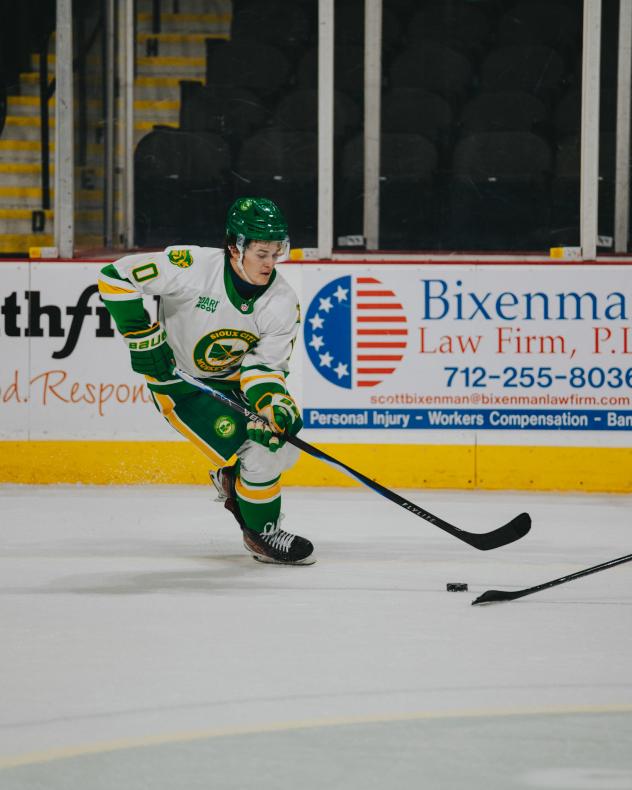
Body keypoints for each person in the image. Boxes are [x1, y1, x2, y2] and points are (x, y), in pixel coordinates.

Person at [97, 197, 314, 565]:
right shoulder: (192, 267)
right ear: (235, 247)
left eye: (277, 253)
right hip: (181, 385)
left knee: (283, 443)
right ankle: (262, 533)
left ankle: (233, 481)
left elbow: (265, 369)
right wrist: (140, 335)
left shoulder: (281, 300)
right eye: (261, 253)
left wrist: (272, 407)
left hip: (232, 385)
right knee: (259, 453)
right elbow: (115, 276)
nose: (270, 263)